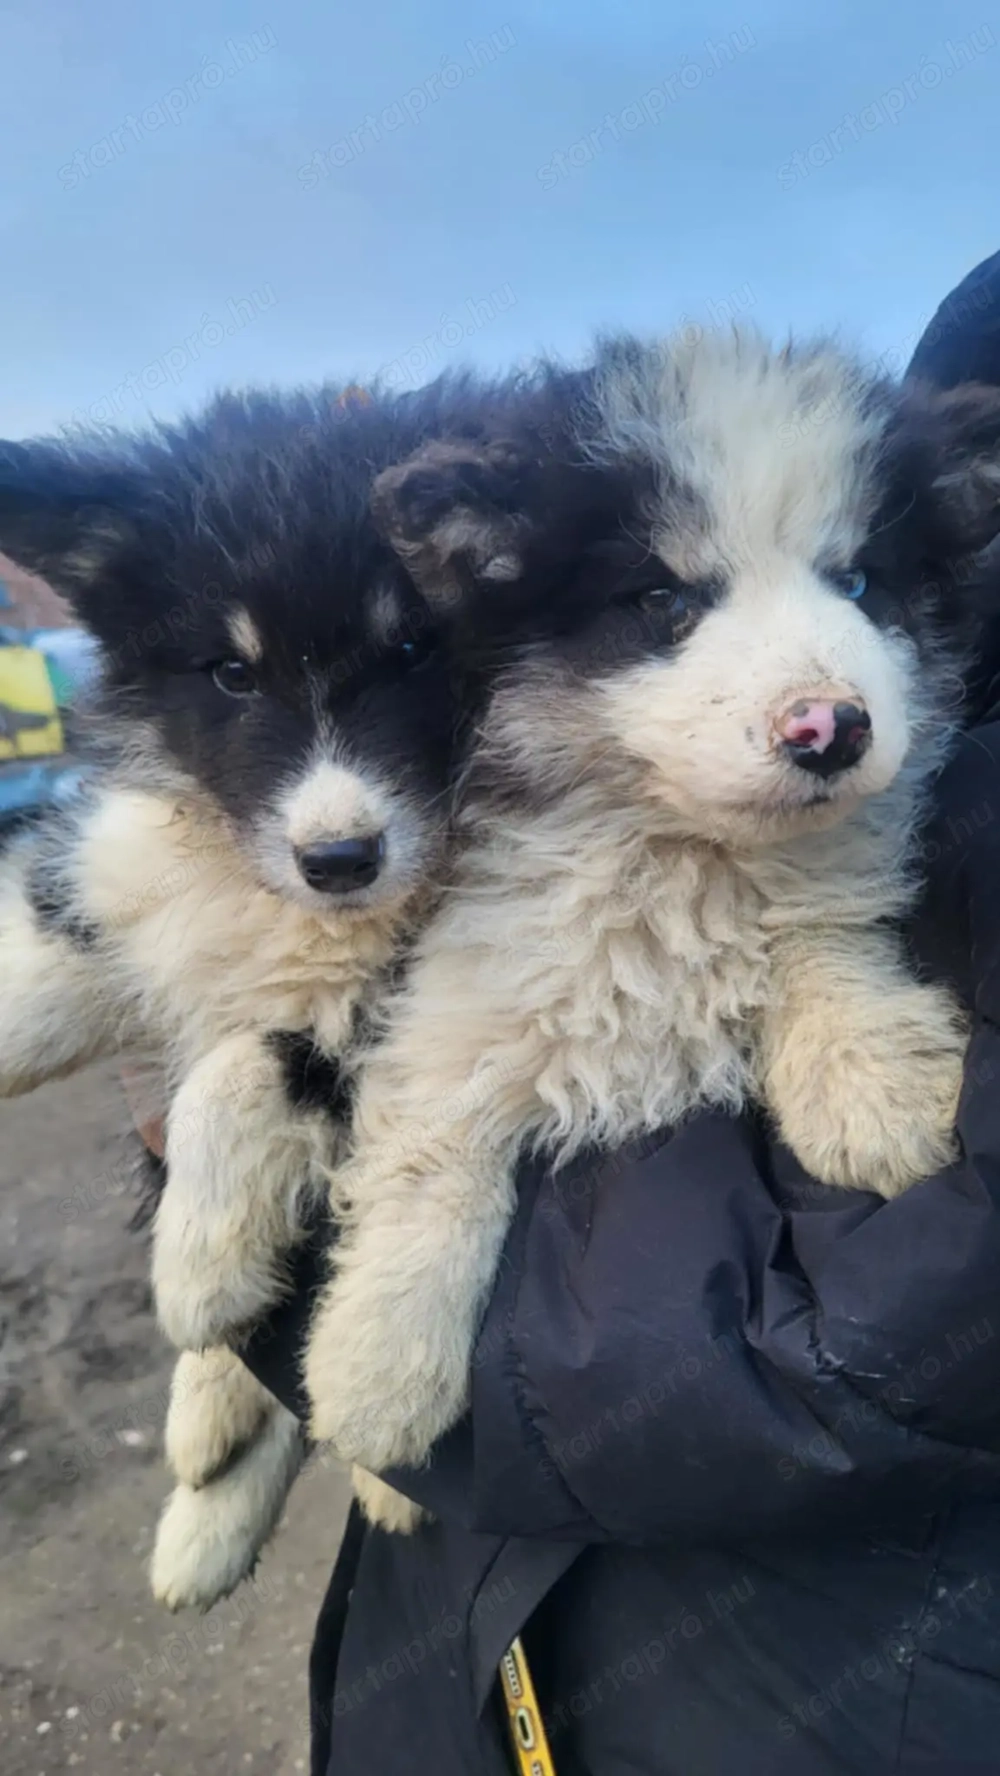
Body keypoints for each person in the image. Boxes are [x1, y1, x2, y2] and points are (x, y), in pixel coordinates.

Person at [202, 251, 1000, 1774]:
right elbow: (447, 1059)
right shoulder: (499, 854)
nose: (819, 697)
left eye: (851, 579)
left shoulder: (900, 830)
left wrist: (821, 1000)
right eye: (672, 598)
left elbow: (879, 1309)